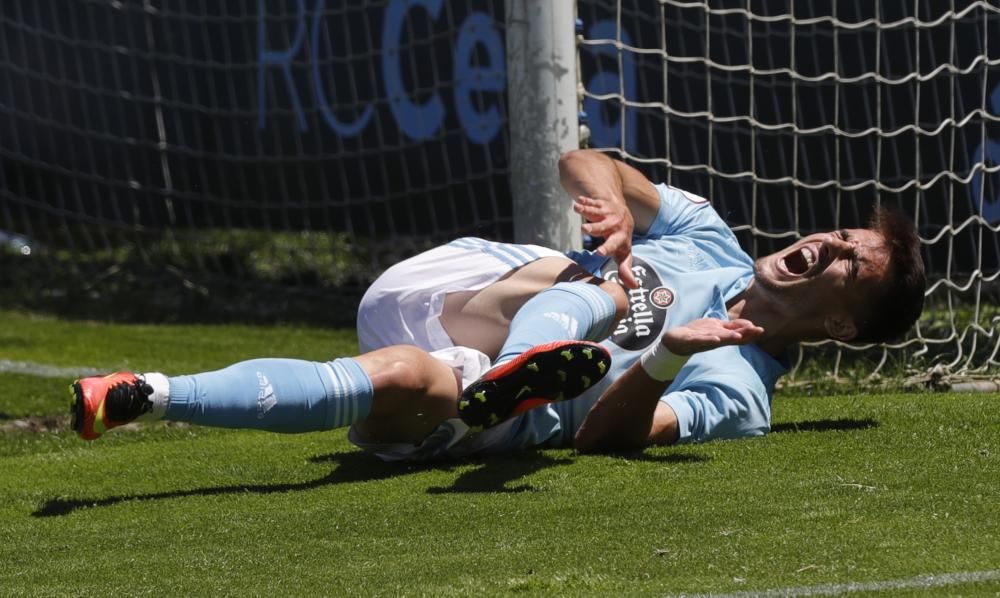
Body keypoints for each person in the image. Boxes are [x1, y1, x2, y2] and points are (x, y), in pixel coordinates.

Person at [69, 150, 926, 458]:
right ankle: (530, 359)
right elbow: (584, 160)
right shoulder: (707, 236)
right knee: (606, 282)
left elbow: (606, 438)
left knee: (396, 379)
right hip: (469, 289)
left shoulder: (741, 393)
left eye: (852, 264)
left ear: (842, 324)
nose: (831, 245)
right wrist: (616, 208)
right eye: (845, 234)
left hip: (493, 402)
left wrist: (667, 358)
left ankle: (146, 392)